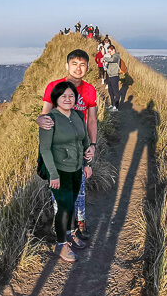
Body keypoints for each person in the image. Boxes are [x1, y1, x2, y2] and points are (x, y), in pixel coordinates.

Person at [37, 49, 98, 241]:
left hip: (79, 147)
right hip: (58, 150)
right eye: (74, 64)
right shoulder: (54, 87)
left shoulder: (89, 90)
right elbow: (45, 115)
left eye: (82, 65)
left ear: (88, 67)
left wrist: (93, 145)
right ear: (67, 66)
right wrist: (40, 119)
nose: (78, 69)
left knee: (79, 188)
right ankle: (63, 231)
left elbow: (92, 120)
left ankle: (79, 222)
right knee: (61, 194)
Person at [40, 81, 92, 262]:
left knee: (71, 204)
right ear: (55, 99)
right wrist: (53, 175)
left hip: (76, 168)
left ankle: (69, 234)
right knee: (63, 208)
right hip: (60, 171)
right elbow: (45, 150)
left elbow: (84, 141)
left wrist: (87, 163)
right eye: (63, 96)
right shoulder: (49, 119)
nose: (68, 99)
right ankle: (60, 245)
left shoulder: (78, 115)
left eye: (71, 96)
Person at [103, 45, 121, 111]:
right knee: (110, 91)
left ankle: (116, 107)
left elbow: (112, 60)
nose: (109, 53)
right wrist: (106, 65)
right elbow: (110, 63)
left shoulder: (116, 56)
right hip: (110, 76)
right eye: (108, 52)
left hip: (114, 76)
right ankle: (113, 104)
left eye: (110, 51)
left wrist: (105, 59)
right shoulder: (112, 57)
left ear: (113, 50)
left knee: (116, 92)